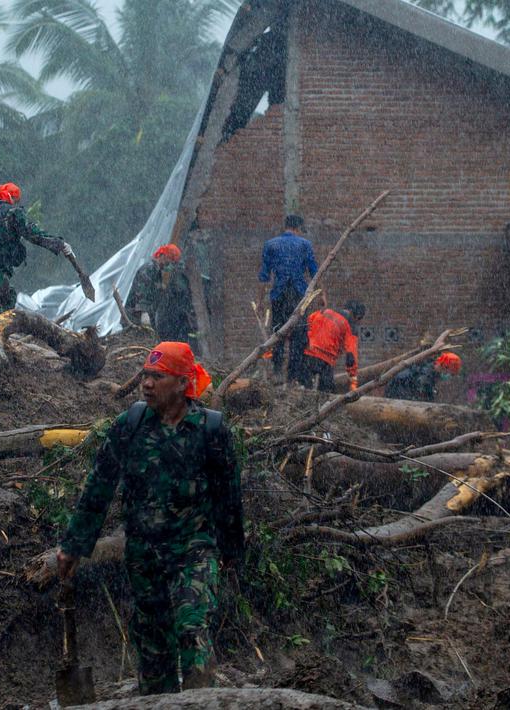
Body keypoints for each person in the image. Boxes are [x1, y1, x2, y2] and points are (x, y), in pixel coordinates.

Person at [56, 342, 244, 695]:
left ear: (182, 383)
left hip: (193, 551)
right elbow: (99, 486)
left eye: (158, 377)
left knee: (192, 628)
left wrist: (232, 553)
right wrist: (74, 546)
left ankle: (200, 701)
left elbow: (228, 498)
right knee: (154, 645)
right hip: (144, 556)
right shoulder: (130, 425)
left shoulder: (210, 430)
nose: (146, 384)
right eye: (145, 375)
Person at [0, 182, 77, 336]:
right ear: (10, 197)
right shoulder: (12, 214)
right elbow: (33, 234)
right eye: (16, 199)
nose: (16, 203)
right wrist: (59, 244)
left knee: (3, 297)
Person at [258, 215, 318, 385]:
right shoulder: (305, 244)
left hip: (279, 295)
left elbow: (264, 276)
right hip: (298, 296)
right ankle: (293, 376)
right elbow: (314, 272)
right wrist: (322, 295)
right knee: (299, 335)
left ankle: (277, 370)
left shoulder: (271, 244)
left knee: (278, 331)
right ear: (298, 228)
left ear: (285, 226)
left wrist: (260, 301)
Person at [127, 244, 197, 343]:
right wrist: (143, 313)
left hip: (145, 318)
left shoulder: (158, 273)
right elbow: (141, 293)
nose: (170, 265)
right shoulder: (148, 269)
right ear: (163, 256)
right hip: (134, 317)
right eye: (170, 261)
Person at [303, 300, 365, 392]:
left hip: (308, 354)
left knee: (304, 389)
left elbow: (307, 324)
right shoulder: (350, 325)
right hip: (326, 360)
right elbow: (351, 355)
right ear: (357, 316)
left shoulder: (324, 312)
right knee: (326, 392)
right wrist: (353, 378)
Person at [385, 352, 462, 401]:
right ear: (445, 367)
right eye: (451, 374)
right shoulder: (426, 374)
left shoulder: (428, 368)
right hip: (397, 395)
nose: (449, 377)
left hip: (397, 393)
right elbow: (423, 396)